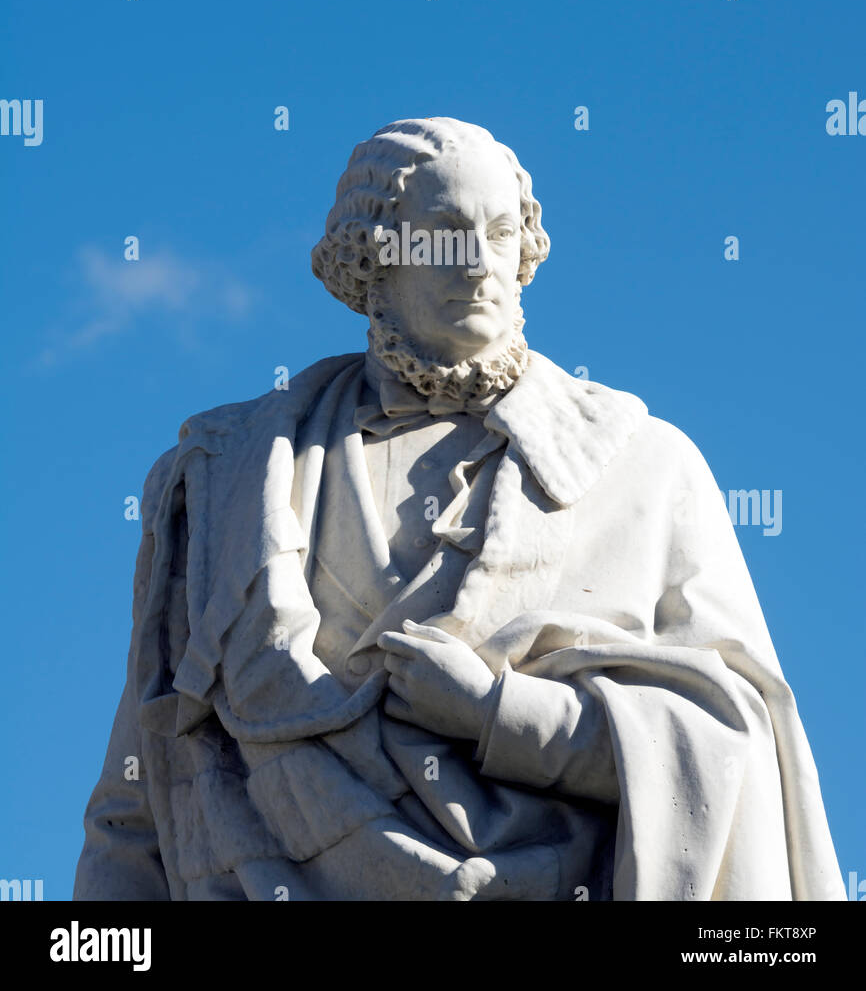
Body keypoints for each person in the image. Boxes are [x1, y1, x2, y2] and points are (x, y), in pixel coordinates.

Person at [74, 116, 845, 901]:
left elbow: (731, 745)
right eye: (443, 234)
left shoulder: (643, 467)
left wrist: (499, 713)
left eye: (501, 233)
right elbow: (143, 795)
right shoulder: (227, 475)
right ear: (375, 254)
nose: (478, 264)